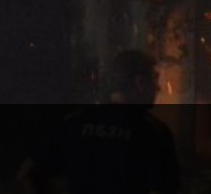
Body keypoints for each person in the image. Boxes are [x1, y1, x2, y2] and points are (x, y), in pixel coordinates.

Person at [18, 49, 181, 194]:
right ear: (140, 82)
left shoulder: (75, 122)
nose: (158, 88)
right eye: (154, 79)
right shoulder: (154, 133)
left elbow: (26, 173)